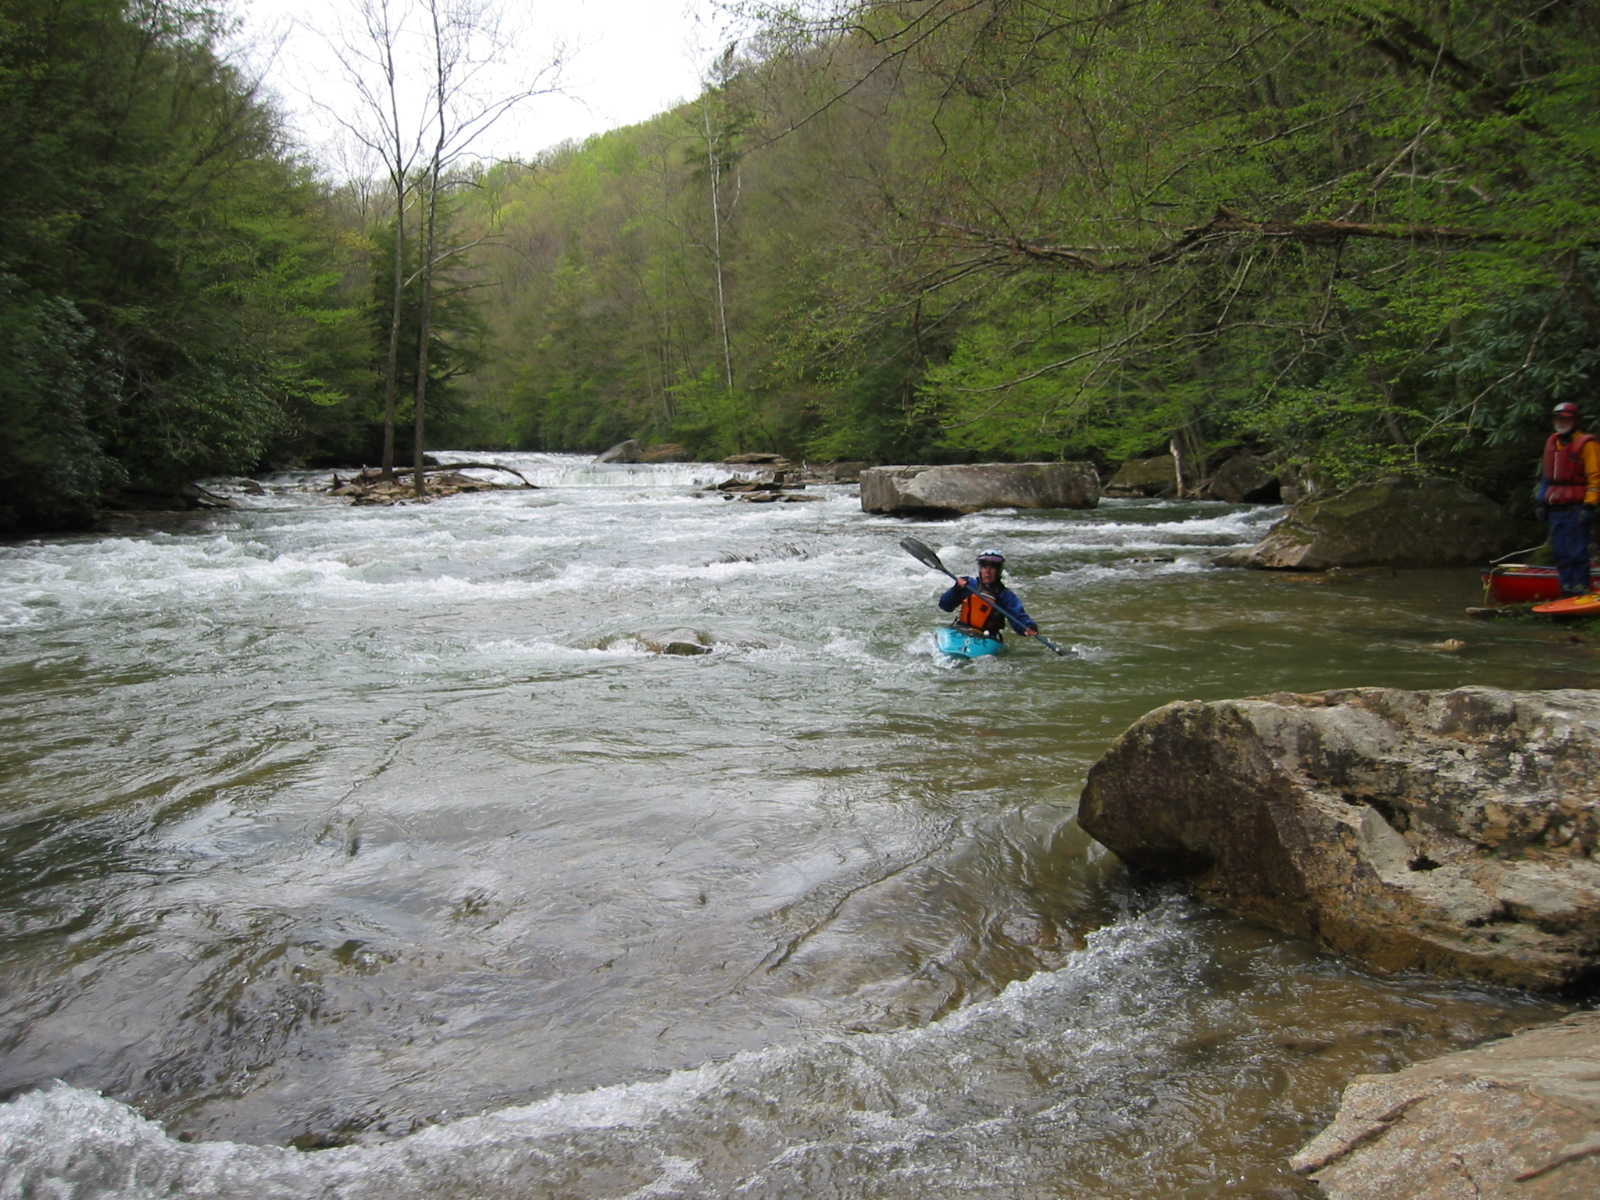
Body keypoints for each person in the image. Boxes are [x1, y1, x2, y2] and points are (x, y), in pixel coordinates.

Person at [1536, 401, 1600, 596]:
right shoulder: (1552, 442)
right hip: (1556, 508)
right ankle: (1567, 589)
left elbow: (1595, 477)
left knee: (1577, 551)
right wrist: (1541, 502)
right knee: (1561, 552)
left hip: (1577, 507)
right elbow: (1547, 478)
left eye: (1566, 419)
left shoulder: (1587, 444)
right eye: (1558, 419)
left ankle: (1580, 589)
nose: (1561, 423)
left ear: (1575, 421)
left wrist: (1590, 505)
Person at [938, 548, 1039, 642]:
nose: (988, 571)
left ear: (999, 571)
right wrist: (956, 590)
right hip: (961, 630)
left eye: (992, 567)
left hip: (988, 637)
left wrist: (1028, 627)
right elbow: (945, 606)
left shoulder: (1005, 595)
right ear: (980, 569)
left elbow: (1018, 617)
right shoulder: (968, 585)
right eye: (984, 567)